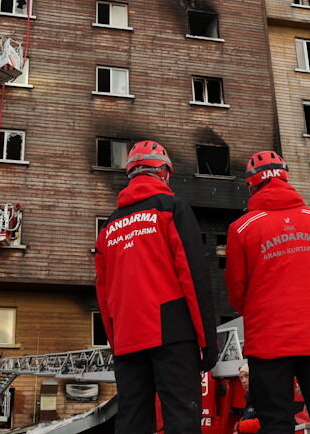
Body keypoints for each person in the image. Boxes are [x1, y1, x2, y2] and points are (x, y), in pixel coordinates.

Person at [94, 140, 218, 434]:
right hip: (172, 332)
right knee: (181, 418)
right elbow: (193, 275)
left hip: (127, 337)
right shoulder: (171, 208)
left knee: (132, 420)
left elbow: (103, 293)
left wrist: (115, 342)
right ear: (163, 172)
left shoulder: (110, 225)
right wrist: (207, 340)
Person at [225, 151, 310, 434]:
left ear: (251, 185)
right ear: (286, 176)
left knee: (275, 423)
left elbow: (236, 290)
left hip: (268, 342)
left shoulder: (241, 228)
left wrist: (259, 313)